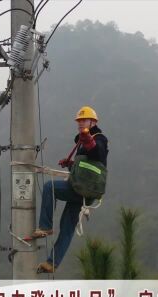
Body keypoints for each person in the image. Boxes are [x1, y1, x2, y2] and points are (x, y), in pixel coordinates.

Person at [32, 105, 109, 273]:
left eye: (84, 120)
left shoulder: (99, 138)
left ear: (93, 121)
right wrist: (71, 165)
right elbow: (87, 167)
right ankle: (52, 263)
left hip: (80, 189)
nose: (80, 123)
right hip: (84, 191)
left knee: (49, 187)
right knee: (67, 227)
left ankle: (45, 226)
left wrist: (88, 139)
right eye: (79, 121)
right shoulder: (83, 143)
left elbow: (98, 153)